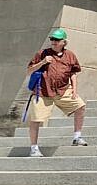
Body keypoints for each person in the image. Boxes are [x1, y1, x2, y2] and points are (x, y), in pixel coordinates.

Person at [26, 28, 86, 157]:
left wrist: (75, 89)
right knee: (36, 119)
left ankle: (77, 137)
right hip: (42, 91)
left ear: (64, 42)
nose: (53, 42)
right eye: (52, 39)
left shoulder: (70, 55)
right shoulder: (42, 53)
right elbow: (29, 70)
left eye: (57, 40)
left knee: (80, 106)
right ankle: (34, 148)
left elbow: (73, 73)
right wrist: (42, 62)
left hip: (63, 90)